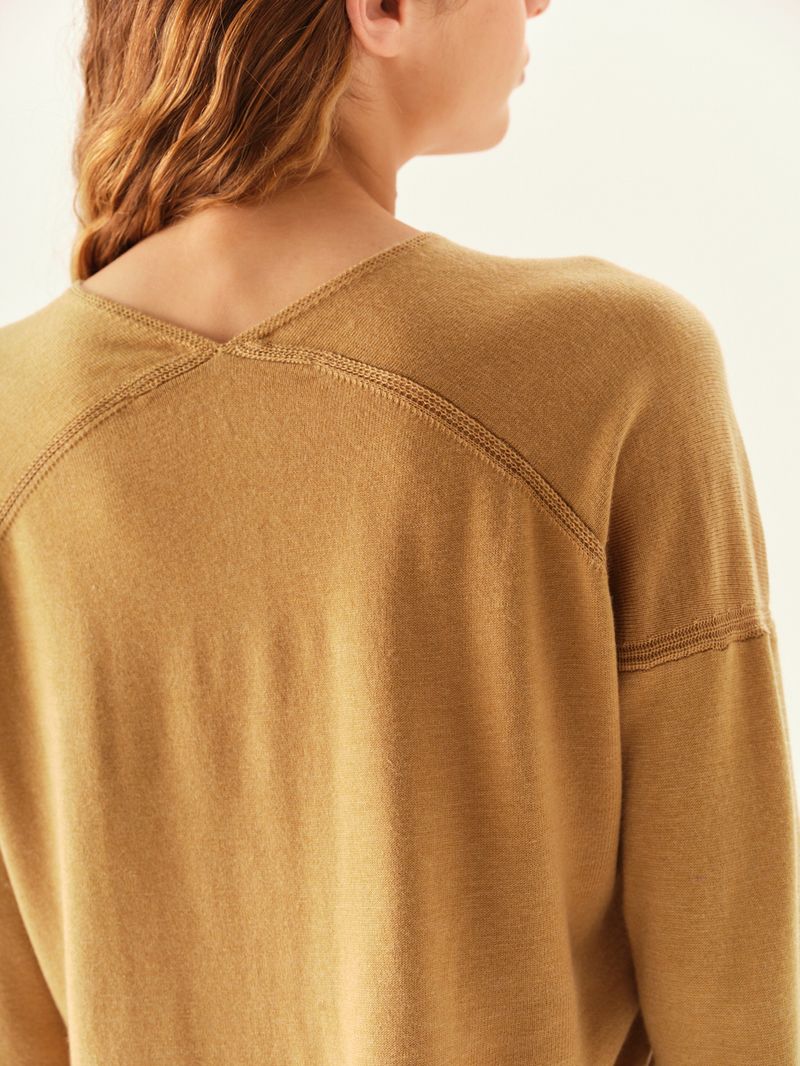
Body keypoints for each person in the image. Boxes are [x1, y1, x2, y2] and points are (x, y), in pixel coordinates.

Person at [0, 0, 796, 1063]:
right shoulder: (611, 368)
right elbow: (727, 977)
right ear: (379, 8)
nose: (537, 2)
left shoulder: (17, 426)